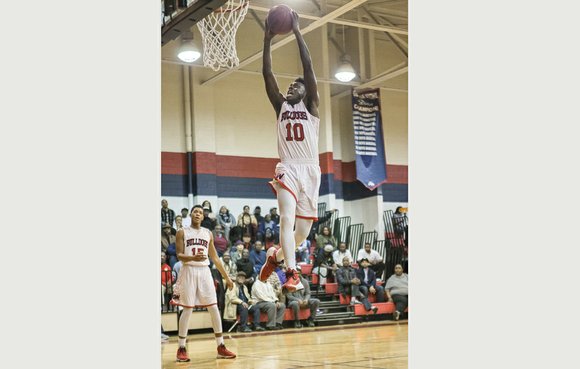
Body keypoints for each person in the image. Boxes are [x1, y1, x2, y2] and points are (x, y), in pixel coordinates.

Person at [260, 11, 321, 292]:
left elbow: (308, 66)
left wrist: (297, 31)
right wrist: (267, 38)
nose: (291, 86)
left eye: (297, 85)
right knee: (286, 218)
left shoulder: (311, 107)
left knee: (301, 235)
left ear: (306, 91)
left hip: (310, 169)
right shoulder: (280, 105)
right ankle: (291, 273)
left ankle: (275, 256)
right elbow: (267, 73)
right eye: (291, 84)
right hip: (288, 166)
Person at [169, 205, 236, 361]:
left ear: (203, 216)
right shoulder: (182, 232)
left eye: (200, 212)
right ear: (191, 215)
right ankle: (181, 347)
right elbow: (179, 255)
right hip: (189, 270)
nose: (198, 214)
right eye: (195, 212)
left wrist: (227, 277)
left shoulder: (207, 233)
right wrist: (192, 258)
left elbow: (216, 258)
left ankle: (221, 346)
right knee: (187, 310)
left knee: (213, 307)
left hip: (204, 271)